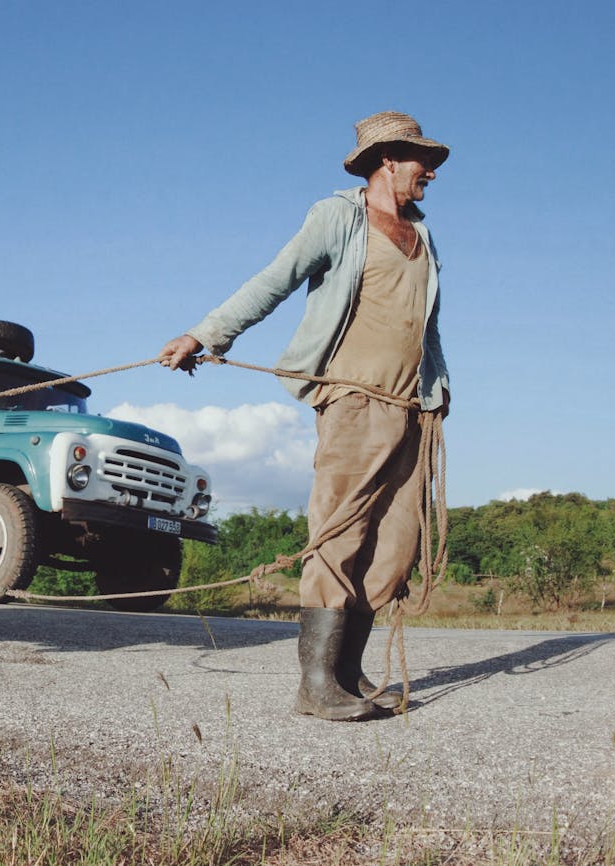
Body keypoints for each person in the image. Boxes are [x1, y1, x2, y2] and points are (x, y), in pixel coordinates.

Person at [159, 111, 450, 722]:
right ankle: (315, 684)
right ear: (387, 160)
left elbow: (429, 325)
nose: (431, 172)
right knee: (339, 537)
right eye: (421, 160)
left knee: (396, 545)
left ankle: (348, 673)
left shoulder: (424, 235)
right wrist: (205, 334)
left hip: (412, 409)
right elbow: (274, 279)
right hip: (352, 401)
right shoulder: (338, 218)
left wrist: (438, 389)